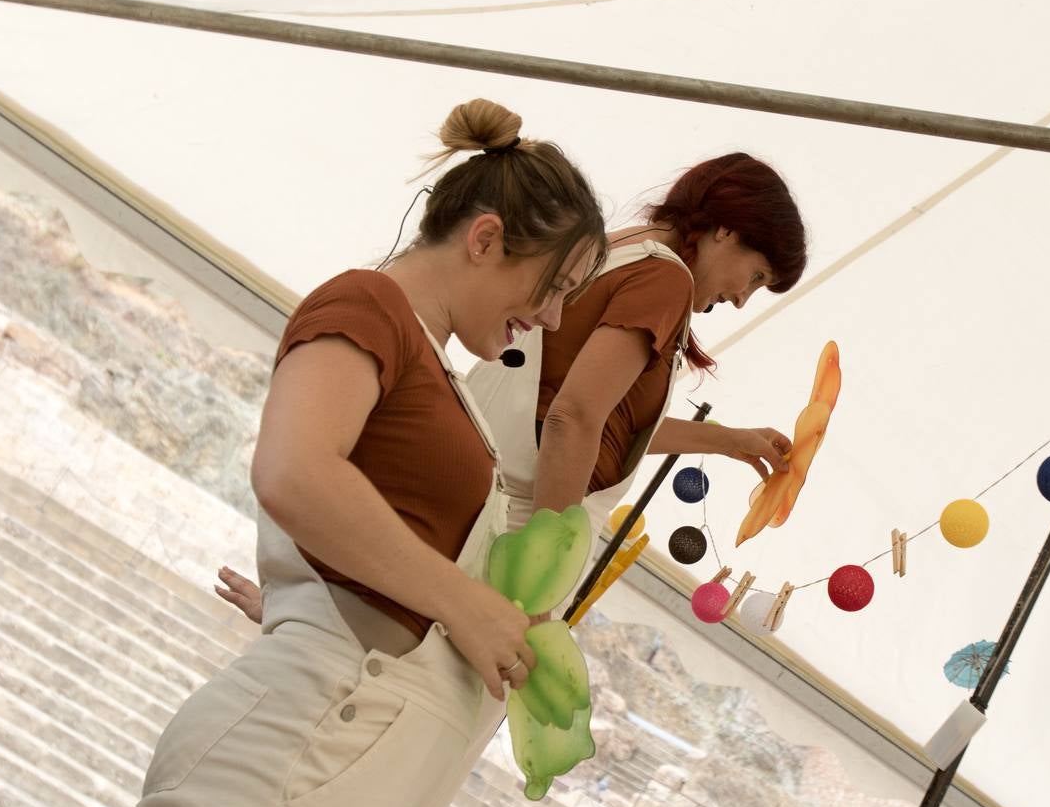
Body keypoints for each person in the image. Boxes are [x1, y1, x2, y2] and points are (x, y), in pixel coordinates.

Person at [107, 98, 607, 807]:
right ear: (486, 240)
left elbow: (370, 523)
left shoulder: (449, 381)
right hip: (303, 749)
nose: (546, 320)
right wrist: (460, 601)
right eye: (553, 288)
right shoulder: (368, 306)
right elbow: (295, 471)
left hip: (345, 764)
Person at [217, 151, 809, 624]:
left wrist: (728, 441)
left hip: (479, 493)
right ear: (726, 230)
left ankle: (306, 612)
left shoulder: (620, 248)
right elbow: (572, 420)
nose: (740, 298)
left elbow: (588, 416)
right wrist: (541, 579)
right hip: (517, 525)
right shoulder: (665, 279)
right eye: (754, 276)